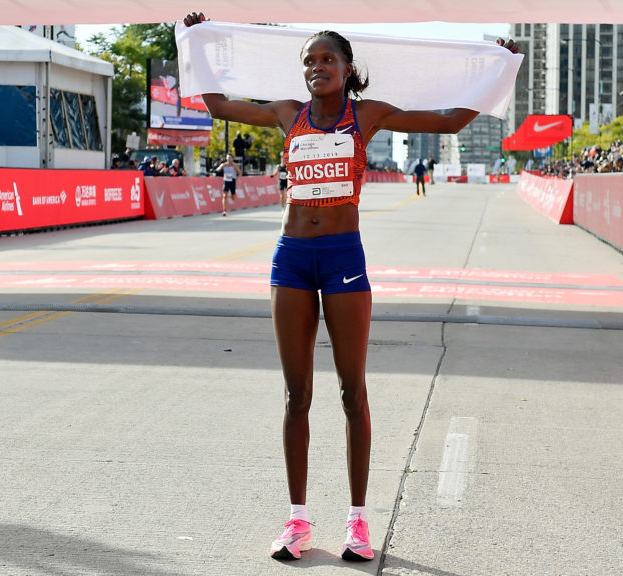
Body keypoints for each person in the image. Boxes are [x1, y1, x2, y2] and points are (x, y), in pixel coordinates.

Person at [183, 11, 519, 562]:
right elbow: (218, 105)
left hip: (343, 258)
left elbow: (451, 122)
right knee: (297, 396)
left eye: (328, 59)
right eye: (310, 61)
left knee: (351, 391)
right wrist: (198, 42)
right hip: (292, 258)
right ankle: (296, 522)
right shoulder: (285, 114)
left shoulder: (368, 116)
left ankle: (358, 524)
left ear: (347, 68)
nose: (318, 67)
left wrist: (499, 68)